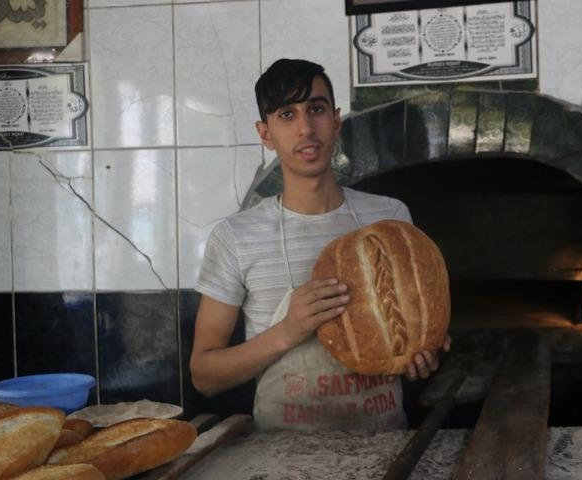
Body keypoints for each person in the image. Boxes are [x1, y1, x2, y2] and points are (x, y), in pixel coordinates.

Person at [190, 58, 448, 431]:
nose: (306, 128)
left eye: (316, 109)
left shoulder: (391, 218)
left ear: (336, 119)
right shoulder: (236, 237)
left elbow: (408, 340)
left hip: (384, 445)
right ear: (265, 134)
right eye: (286, 115)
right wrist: (288, 331)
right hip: (283, 455)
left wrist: (420, 356)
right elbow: (204, 375)